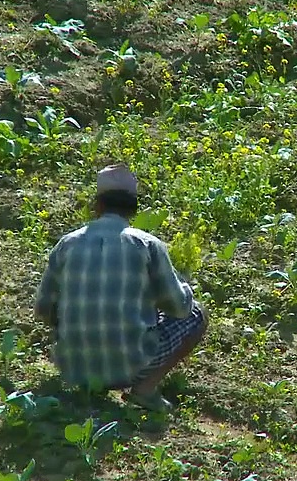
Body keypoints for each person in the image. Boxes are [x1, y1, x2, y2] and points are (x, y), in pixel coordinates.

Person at [33, 163, 208, 412]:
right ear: (133, 208)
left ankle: (89, 380)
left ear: (98, 205)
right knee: (197, 314)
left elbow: (43, 310)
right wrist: (184, 288)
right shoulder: (147, 244)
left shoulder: (67, 244)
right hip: (132, 365)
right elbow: (179, 308)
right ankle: (145, 389)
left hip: (74, 367)